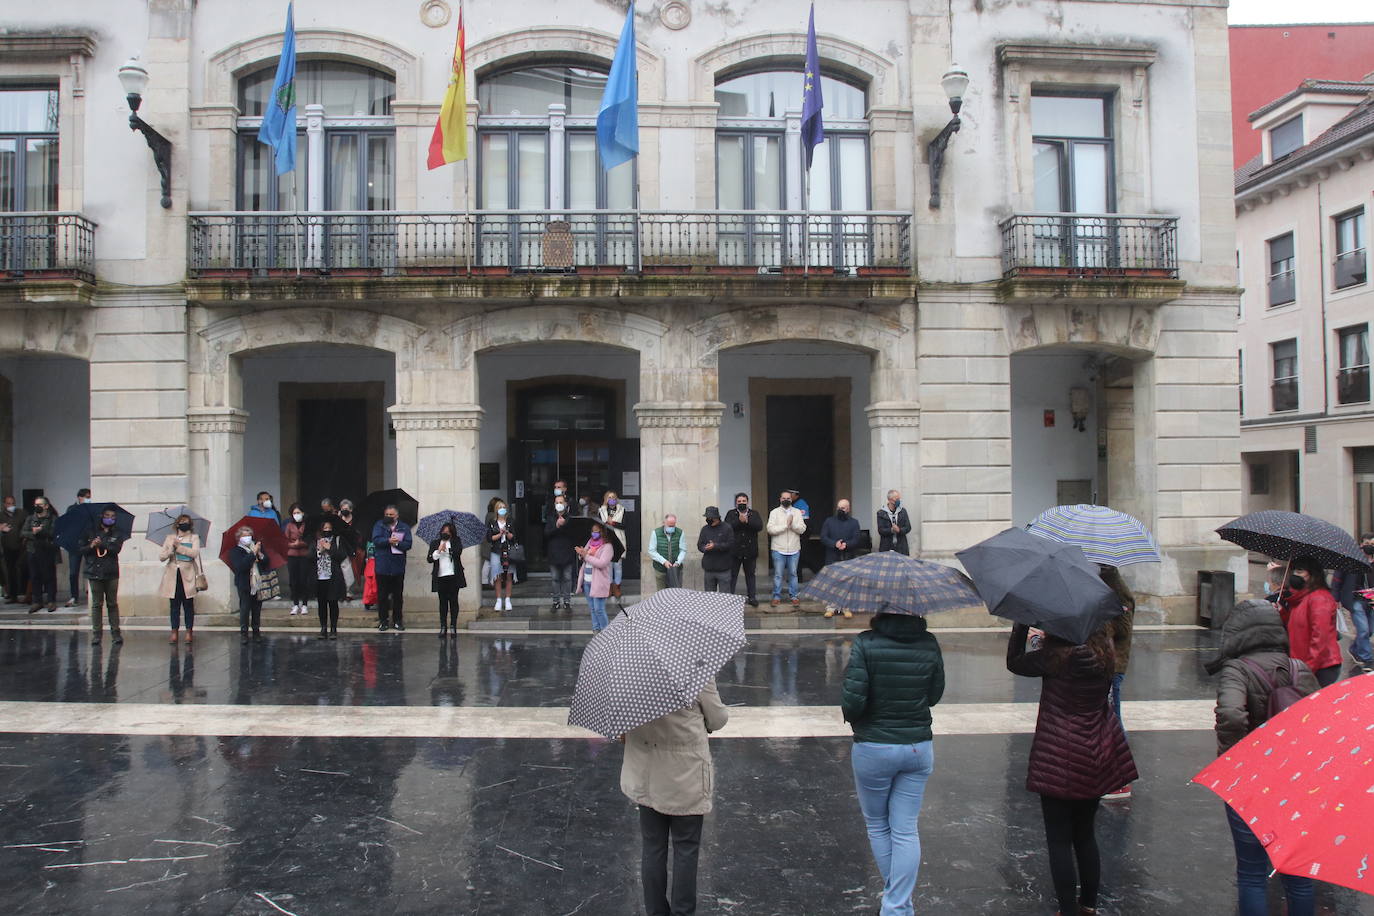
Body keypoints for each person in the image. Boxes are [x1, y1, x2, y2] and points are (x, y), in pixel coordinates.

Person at [1006, 621, 1137, 916]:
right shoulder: (1105, 655)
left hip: (1057, 755)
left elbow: (1015, 663)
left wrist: (1020, 625)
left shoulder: (1056, 657)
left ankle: (1066, 909)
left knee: (1058, 839)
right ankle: (1089, 905)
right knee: (1085, 834)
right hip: (1094, 754)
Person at [1204, 599, 1319, 916]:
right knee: (1299, 876)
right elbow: (1318, 722)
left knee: (1253, 874)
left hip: (1251, 782)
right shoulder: (1299, 668)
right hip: (1296, 783)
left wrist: (1232, 760)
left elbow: (1230, 714)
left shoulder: (1237, 670)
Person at [841, 611, 945, 916]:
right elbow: (935, 695)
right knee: (905, 830)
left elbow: (853, 701)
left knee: (877, 825)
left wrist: (855, 717)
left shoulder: (865, 643)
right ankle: (897, 905)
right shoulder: (929, 643)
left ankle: (896, 904)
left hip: (874, 746)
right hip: (917, 746)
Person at [621, 680, 729, 916]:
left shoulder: (631, 677)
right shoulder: (696, 672)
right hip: (685, 777)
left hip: (647, 775)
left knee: (652, 847)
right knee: (686, 849)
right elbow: (718, 719)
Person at [1099, 565, 1136, 801]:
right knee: (1102, 720)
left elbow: (1122, 627)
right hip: (1097, 664)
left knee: (1113, 721)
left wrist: (1098, 618)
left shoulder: (1114, 586)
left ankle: (1121, 780)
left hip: (1111, 665)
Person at [1277, 555, 1342, 687]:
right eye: (1293, 570)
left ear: (1312, 574)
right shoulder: (1299, 597)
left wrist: (1308, 668)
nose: (1295, 574)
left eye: (1300, 571)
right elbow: (1294, 624)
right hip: (1302, 663)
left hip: (1321, 667)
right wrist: (1282, 611)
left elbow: (1320, 637)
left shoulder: (1320, 598)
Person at [81, 507, 126, 646]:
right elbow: (81, 549)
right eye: (107, 515)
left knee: (112, 603)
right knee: (96, 604)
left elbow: (116, 549)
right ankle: (96, 634)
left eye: (113, 516)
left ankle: (116, 633)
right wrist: (91, 545)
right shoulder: (90, 531)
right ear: (101, 516)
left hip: (111, 572)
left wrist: (103, 543)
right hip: (94, 571)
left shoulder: (117, 532)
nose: (110, 518)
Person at [1331, 532, 1374, 674]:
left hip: (1371, 598)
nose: (1369, 547)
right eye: (1367, 544)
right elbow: (1337, 579)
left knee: (1370, 630)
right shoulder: (1350, 558)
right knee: (1363, 629)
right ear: (1361, 544)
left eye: (1372, 544)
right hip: (1355, 599)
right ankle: (1367, 659)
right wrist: (1335, 598)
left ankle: (1356, 648)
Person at [159, 513, 202, 645]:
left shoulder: (194, 537)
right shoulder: (169, 538)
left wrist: (180, 547)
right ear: (177, 524)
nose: (185, 523)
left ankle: (189, 632)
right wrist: (171, 549)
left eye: (187, 522)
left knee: (188, 604)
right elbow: (161, 556)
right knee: (174, 605)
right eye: (182, 521)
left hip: (188, 574)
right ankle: (174, 632)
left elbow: (194, 553)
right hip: (173, 574)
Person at [372, 505, 413, 631]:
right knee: (382, 596)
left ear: (397, 515)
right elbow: (376, 540)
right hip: (383, 566)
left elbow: (408, 544)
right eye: (387, 515)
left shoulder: (404, 527)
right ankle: (383, 620)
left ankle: (398, 620)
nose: (389, 517)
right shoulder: (379, 525)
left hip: (397, 566)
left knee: (397, 596)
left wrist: (397, 543)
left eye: (391, 515)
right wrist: (388, 540)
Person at [228, 525, 271, 643]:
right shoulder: (236, 551)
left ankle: (256, 631)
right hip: (244, 583)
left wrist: (260, 554)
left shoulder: (257, 547)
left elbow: (266, 562)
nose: (247, 538)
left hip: (257, 583)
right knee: (245, 608)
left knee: (257, 608)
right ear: (239, 538)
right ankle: (244, 633)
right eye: (244, 535)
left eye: (249, 535)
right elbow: (241, 566)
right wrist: (253, 553)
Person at [766, 490, 808, 608]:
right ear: (780, 499)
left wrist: (792, 525)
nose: (786, 500)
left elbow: (802, 529)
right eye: (784, 498)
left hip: (794, 549)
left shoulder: (797, 512)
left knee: (793, 574)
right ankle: (776, 596)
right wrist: (785, 526)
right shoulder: (774, 512)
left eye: (788, 498)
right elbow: (770, 529)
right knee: (778, 574)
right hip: (778, 549)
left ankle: (794, 596)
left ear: (791, 499)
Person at [820, 499, 861, 619]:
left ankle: (846, 607)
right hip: (832, 555)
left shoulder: (854, 522)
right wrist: (834, 544)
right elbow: (823, 537)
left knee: (847, 583)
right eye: (839, 507)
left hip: (848, 556)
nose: (840, 510)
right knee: (832, 583)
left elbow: (857, 539)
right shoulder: (829, 521)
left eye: (843, 508)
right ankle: (831, 608)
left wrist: (846, 544)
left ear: (848, 509)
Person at [575, 521, 615, 632]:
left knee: (599, 609)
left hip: (598, 583)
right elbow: (583, 557)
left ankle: (605, 632)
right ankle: (596, 630)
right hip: (587, 581)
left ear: (602, 532)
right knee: (592, 609)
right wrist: (582, 553)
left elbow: (601, 563)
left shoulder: (607, 547)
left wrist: (586, 555)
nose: (594, 534)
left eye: (597, 532)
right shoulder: (590, 542)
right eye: (593, 532)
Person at [429, 521, 467, 637]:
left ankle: (453, 625)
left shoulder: (456, 541)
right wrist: (439, 550)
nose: (445, 534)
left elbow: (457, 552)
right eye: (443, 532)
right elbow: (430, 558)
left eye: (448, 532)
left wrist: (448, 550)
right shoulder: (435, 543)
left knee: (453, 601)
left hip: (453, 576)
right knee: (443, 602)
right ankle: (443, 626)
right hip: (441, 576)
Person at [22, 496, 58, 612]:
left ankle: (51, 600)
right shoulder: (30, 518)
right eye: (36, 504)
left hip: (47, 550)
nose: (37, 507)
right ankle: (37, 601)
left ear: (46, 506)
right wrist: (33, 532)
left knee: (49, 576)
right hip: (33, 550)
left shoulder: (52, 518)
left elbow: (54, 533)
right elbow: (22, 533)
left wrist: (42, 531)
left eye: (40, 504)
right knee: (34, 576)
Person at [313, 521, 348, 639]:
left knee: (333, 603)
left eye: (329, 527)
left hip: (333, 576)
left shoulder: (337, 540)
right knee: (321, 604)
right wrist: (319, 551)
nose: (327, 529)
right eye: (325, 527)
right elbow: (309, 556)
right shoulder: (317, 541)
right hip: (320, 577)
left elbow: (341, 556)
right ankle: (323, 628)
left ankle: (333, 628)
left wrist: (329, 549)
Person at [726, 493, 762, 606]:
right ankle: (729, 598)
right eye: (739, 501)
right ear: (736, 502)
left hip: (750, 551)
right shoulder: (731, 513)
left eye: (744, 501)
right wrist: (738, 521)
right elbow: (727, 527)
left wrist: (747, 521)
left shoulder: (754, 513)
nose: (741, 503)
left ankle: (752, 597)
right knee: (732, 575)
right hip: (735, 551)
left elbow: (759, 526)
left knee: (750, 575)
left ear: (747, 502)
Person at [544, 494, 578, 613]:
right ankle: (556, 601)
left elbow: (574, 534)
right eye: (557, 502)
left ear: (565, 504)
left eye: (561, 502)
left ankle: (567, 601)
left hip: (567, 552)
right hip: (554, 552)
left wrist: (564, 525)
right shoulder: (550, 518)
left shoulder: (570, 518)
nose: (559, 504)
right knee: (555, 578)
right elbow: (546, 534)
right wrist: (556, 526)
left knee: (567, 578)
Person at [487, 499, 518, 614]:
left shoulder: (510, 521)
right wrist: (499, 534)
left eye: (503, 507)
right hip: (496, 551)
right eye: (500, 507)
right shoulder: (492, 522)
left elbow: (514, 537)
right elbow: (489, 538)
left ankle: (508, 599)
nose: (502, 509)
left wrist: (507, 533)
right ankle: (499, 600)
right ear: (496, 510)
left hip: (508, 550)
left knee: (509, 575)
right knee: (497, 576)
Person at [63, 487, 92, 607]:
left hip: (88, 543)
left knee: (91, 569)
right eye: (87, 497)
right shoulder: (72, 509)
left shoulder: (91, 509)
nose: (89, 499)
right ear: (80, 498)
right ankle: (74, 596)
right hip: (75, 544)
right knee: (73, 572)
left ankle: (90, 593)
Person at [599, 490, 627, 605]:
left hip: (618, 539)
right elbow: (598, 524)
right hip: (607, 540)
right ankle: (609, 586)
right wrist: (606, 523)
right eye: (609, 497)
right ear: (606, 499)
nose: (611, 499)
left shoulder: (622, 510)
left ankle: (617, 586)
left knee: (617, 564)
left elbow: (624, 525)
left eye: (613, 497)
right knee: (608, 565)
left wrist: (613, 523)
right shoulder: (601, 510)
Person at [698, 506, 734, 592]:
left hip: (723, 569)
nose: (707, 519)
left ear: (716, 518)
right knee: (709, 597)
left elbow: (730, 544)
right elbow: (700, 545)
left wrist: (715, 546)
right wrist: (705, 548)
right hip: (709, 569)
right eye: (707, 517)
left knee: (724, 596)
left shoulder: (727, 528)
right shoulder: (705, 529)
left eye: (709, 517)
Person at [284, 502, 311, 617]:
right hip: (292, 555)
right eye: (294, 513)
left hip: (304, 555)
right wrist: (293, 545)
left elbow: (311, 539)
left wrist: (301, 543)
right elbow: (285, 540)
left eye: (298, 512)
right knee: (293, 581)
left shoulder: (307, 525)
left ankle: (304, 604)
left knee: (304, 580)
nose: (296, 515)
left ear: (303, 513)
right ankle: (295, 604)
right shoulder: (289, 525)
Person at [648, 514, 686, 590]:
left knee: (676, 593)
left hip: (675, 570)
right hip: (660, 569)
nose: (671, 528)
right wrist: (664, 562)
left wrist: (678, 562)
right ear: (664, 523)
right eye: (669, 525)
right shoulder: (656, 533)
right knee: (661, 593)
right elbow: (651, 551)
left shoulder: (680, 532)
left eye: (673, 526)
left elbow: (683, 550)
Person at [0, 495, 25, 603]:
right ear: (5, 504)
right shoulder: (1, 515)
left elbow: (27, 525)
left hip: (21, 547)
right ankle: (13, 595)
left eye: (13, 503)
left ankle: (24, 594)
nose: (11, 506)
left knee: (22, 569)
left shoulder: (22, 513)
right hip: (7, 547)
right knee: (10, 571)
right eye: (9, 503)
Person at [337, 499, 362, 601]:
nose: (344, 510)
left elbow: (359, 534)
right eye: (342, 509)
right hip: (342, 547)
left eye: (346, 509)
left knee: (352, 570)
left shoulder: (356, 521)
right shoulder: (338, 520)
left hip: (353, 548)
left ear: (351, 510)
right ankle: (343, 592)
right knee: (342, 569)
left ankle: (349, 592)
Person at [877, 490, 911, 555]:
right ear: (890, 500)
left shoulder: (902, 511)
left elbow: (908, 527)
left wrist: (899, 530)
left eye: (899, 498)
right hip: (886, 547)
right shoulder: (881, 513)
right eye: (897, 499)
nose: (899, 501)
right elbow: (880, 530)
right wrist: (891, 530)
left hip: (901, 547)